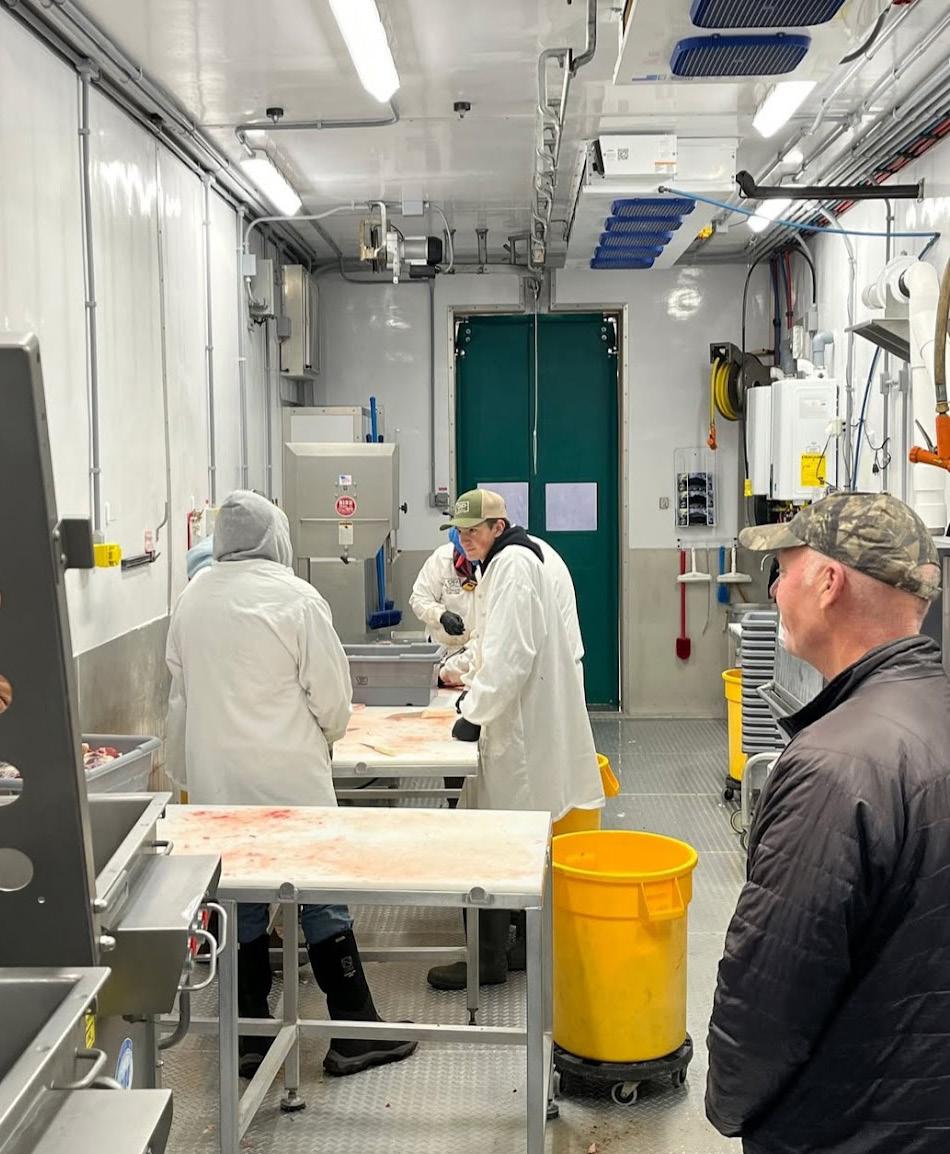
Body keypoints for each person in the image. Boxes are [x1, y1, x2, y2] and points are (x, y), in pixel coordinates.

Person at [706, 491, 950, 1154]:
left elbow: (769, 994)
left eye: (782, 570)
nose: (775, 590)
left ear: (828, 582)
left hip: (850, 1127)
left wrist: (729, 1103)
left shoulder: (834, 767)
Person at [166, 491, 416, 1080]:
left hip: (218, 785)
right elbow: (332, 697)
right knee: (319, 894)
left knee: (241, 899)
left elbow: (180, 698)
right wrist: (331, 733)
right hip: (289, 781)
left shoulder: (191, 600)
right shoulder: (297, 598)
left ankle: (249, 1036)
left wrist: (188, 775)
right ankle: (354, 1029)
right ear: (276, 537)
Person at [426, 489, 604, 991]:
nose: (466, 539)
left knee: (492, 839)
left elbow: (510, 656)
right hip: (523, 719)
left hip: (517, 728)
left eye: (474, 530)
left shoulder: (513, 568)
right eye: (460, 531)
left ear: (498, 527)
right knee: (516, 836)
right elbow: (493, 644)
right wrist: (462, 673)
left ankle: (488, 961)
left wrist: (475, 714)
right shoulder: (506, 563)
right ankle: (518, 947)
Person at [409, 528, 477, 687]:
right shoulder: (441, 559)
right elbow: (418, 598)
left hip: (474, 653)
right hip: (441, 653)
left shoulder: (490, 565)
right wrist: (441, 615)